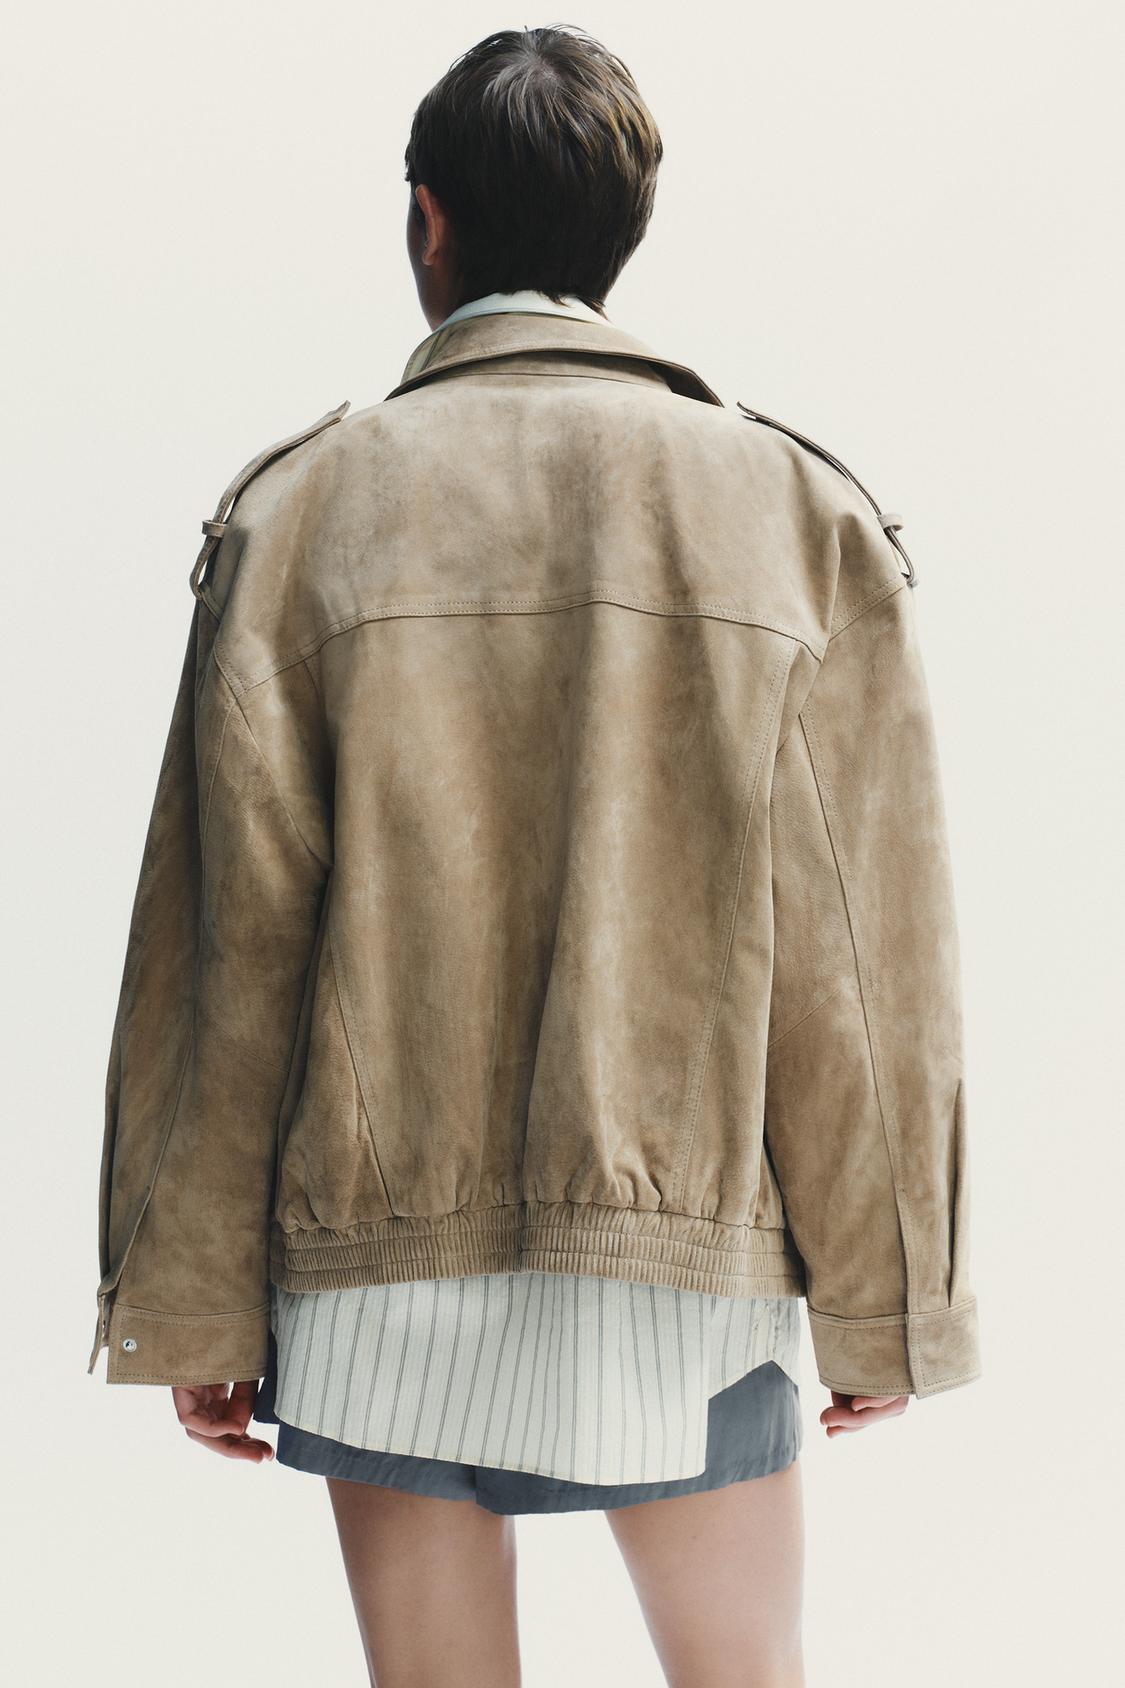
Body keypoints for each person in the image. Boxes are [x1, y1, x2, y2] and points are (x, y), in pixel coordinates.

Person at [87, 24, 981, 1688]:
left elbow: (226, 958)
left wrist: (195, 1299)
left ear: (427, 219)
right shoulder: (791, 509)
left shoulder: (300, 511)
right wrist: (888, 1293)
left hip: (373, 1260)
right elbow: (865, 962)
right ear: (623, 231)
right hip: (691, 1258)